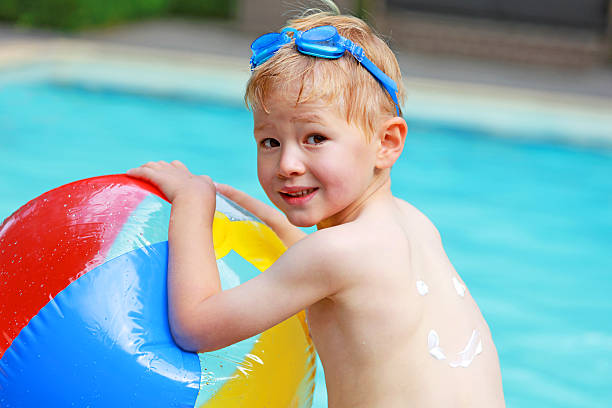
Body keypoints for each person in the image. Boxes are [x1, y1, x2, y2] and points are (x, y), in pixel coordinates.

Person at [127, 2, 505, 406]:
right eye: (270, 142)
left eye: (315, 139)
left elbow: (196, 326)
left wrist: (193, 204)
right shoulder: (415, 224)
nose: (288, 165)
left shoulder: (333, 255)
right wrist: (277, 223)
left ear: (386, 143)